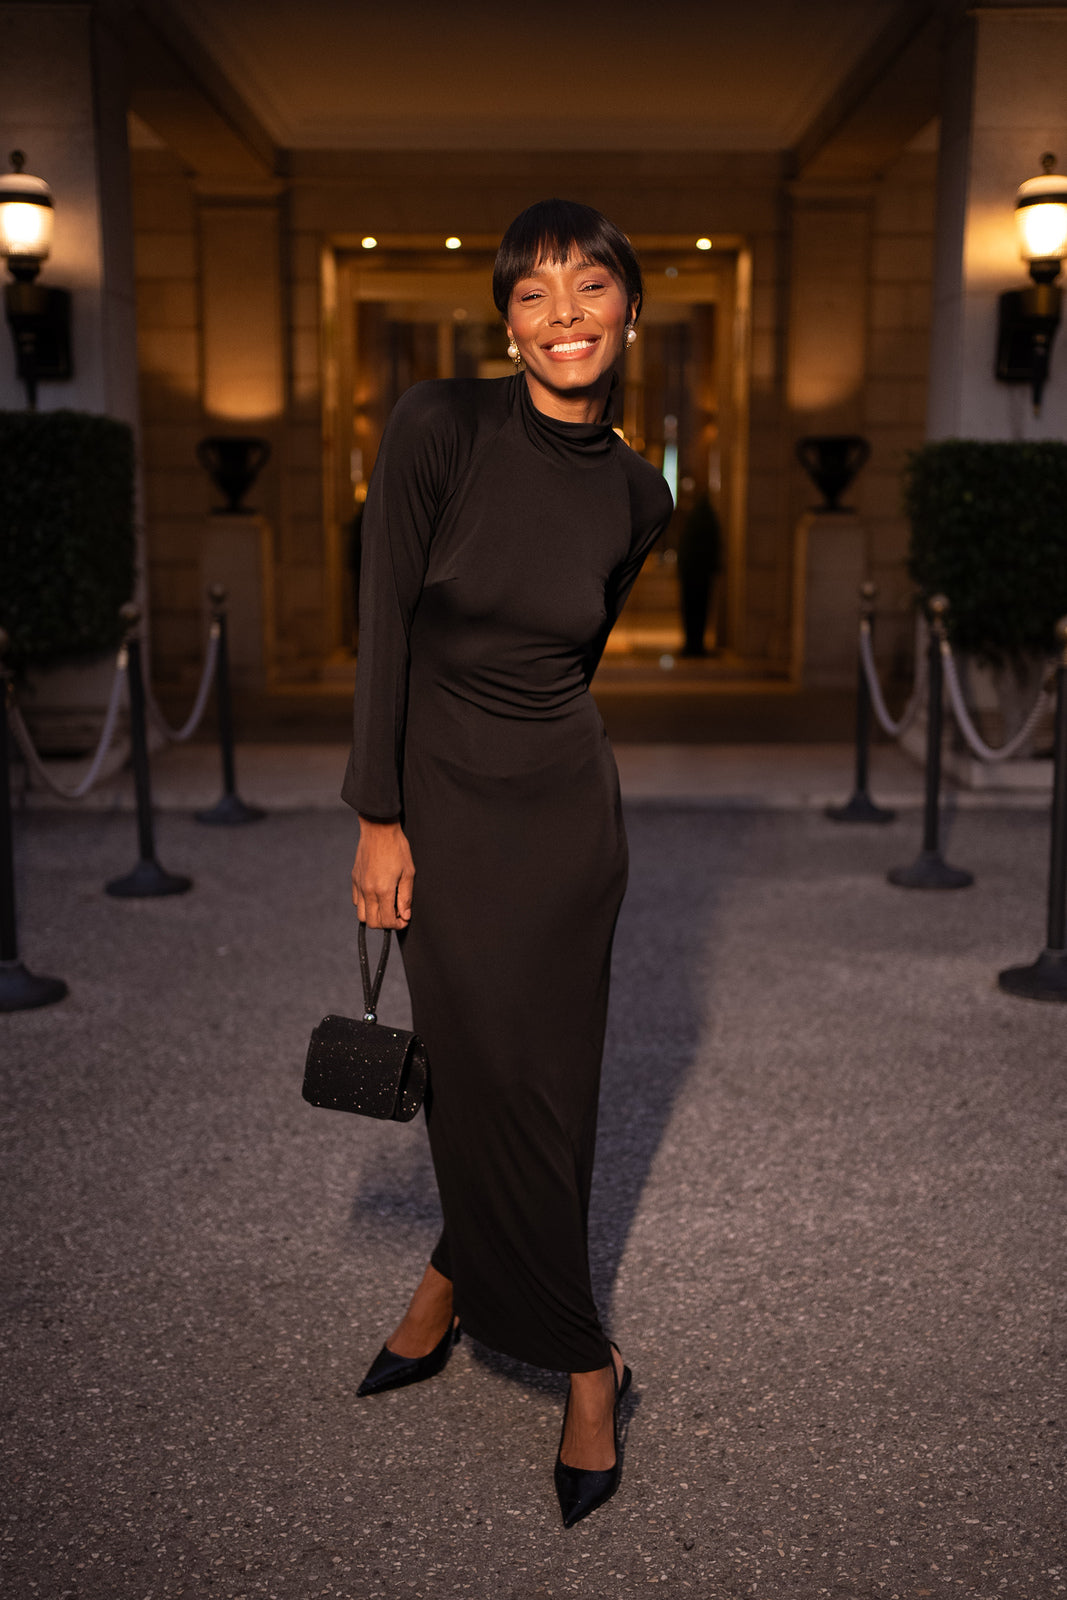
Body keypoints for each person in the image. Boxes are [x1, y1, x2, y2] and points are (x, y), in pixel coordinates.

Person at [343, 198, 673, 1526]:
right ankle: (562, 1348)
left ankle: (510, 1325)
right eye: (533, 295)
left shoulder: (642, 495)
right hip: (442, 807)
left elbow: (575, 658)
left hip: (565, 817)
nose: (564, 317)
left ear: (628, 312)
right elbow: (385, 627)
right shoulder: (439, 426)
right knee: (476, 1071)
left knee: (553, 1082)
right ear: (506, 321)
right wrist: (379, 812)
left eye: (589, 289)